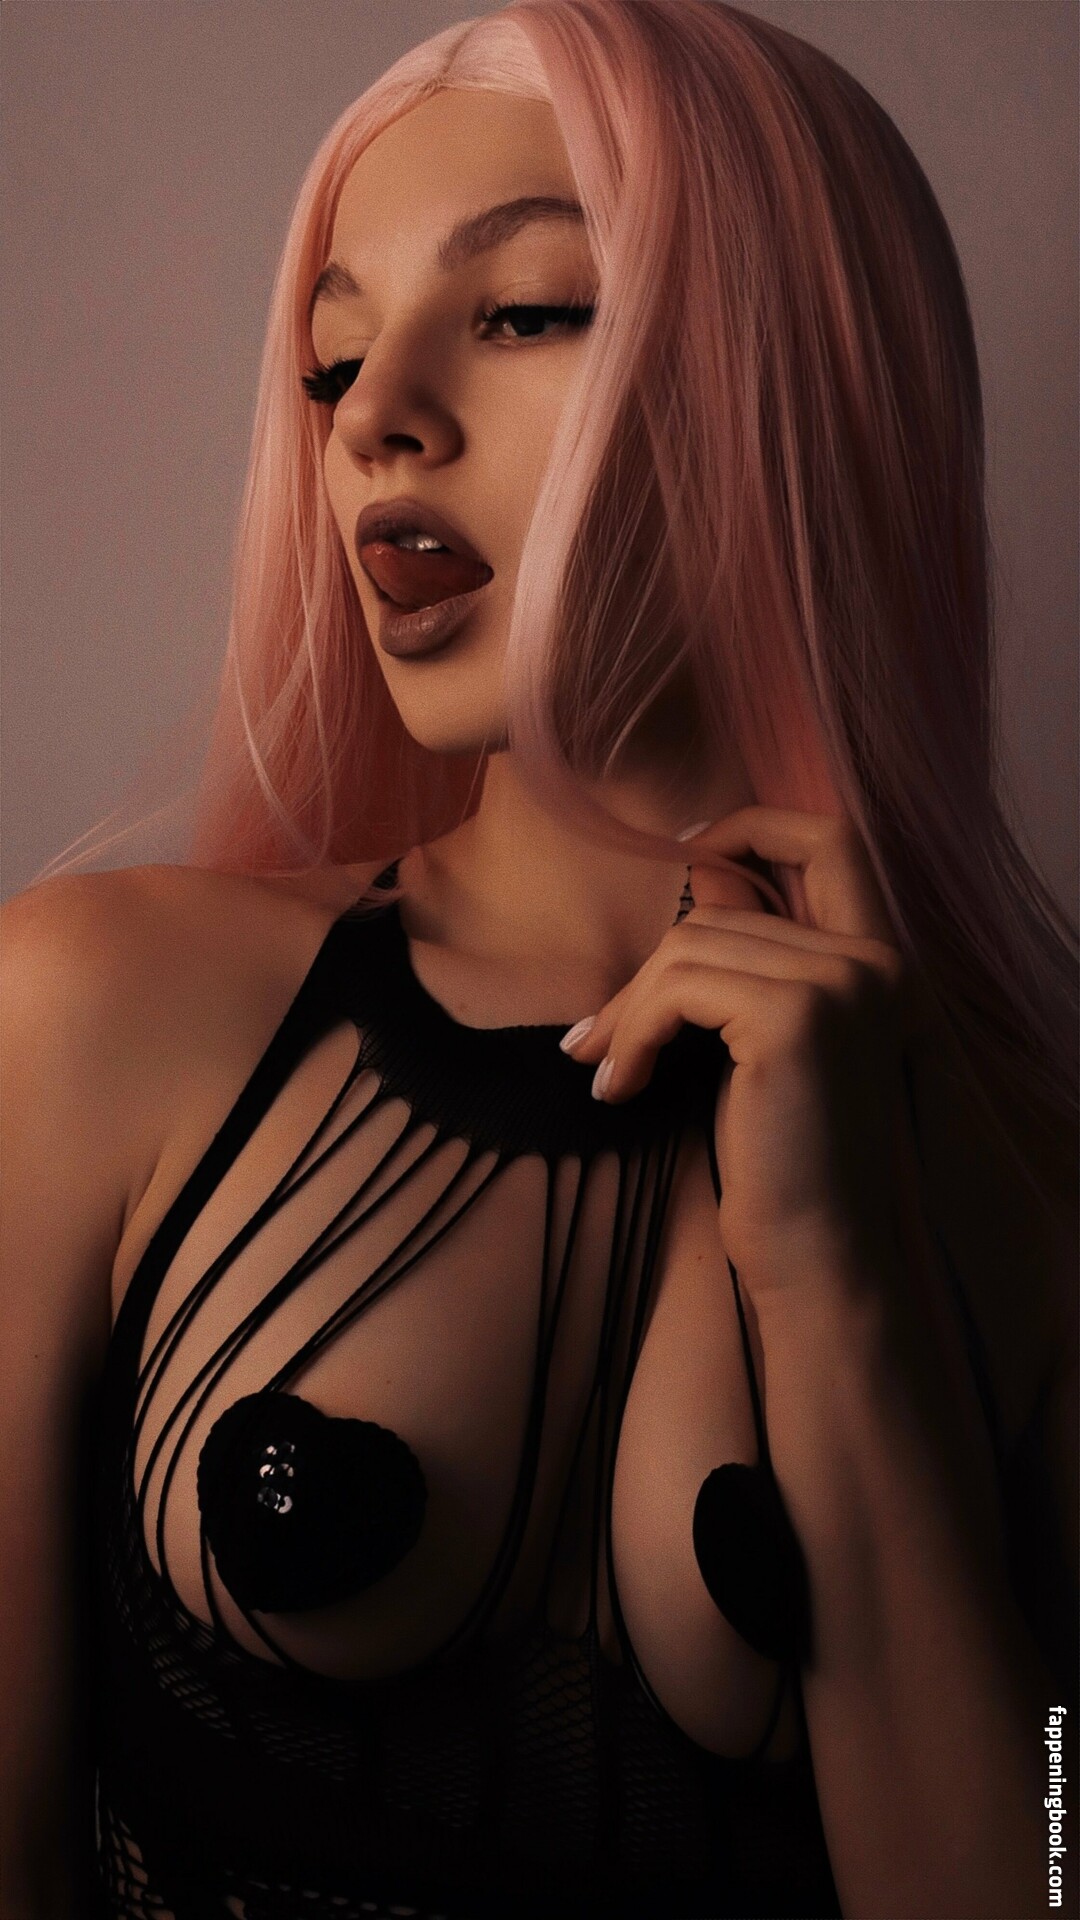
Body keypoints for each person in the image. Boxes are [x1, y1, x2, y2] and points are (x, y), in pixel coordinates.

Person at [2, 3, 1076, 1916]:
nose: (376, 415)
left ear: (795, 386)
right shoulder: (94, 1011)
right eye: (335, 352)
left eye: (525, 312)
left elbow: (1052, 1861)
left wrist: (839, 1283)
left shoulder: (1027, 1182)